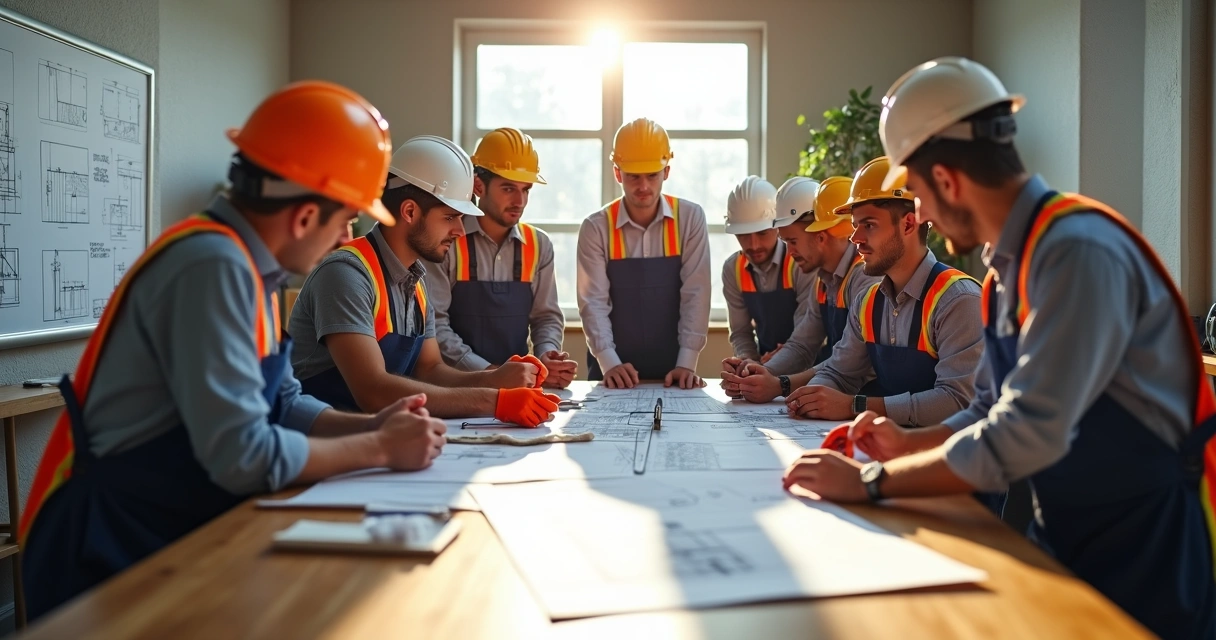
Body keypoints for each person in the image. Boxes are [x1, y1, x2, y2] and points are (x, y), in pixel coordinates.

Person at [782, 57, 1215, 639]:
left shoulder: (1075, 255)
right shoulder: (1003, 277)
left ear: (949, 181)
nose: (921, 213)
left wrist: (869, 484)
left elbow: (1025, 432)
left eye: (915, 193)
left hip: (1148, 550)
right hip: (1071, 532)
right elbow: (985, 411)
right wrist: (905, 443)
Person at [19, 81, 448, 619]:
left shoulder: (252, 269)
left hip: (162, 520)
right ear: (304, 216)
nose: (345, 240)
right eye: (344, 222)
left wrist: (375, 425)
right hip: (106, 541)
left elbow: (285, 402)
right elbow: (245, 455)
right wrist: (381, 451)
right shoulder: (213, 266)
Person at [290, 135, 559, 427]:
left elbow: (430, 370)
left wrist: (495, 378)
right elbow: (373, 390)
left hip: (377, 439)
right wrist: (495, 401)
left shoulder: (416, 280)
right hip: (323, 449)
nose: (459, 231)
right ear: (409, 212)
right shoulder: (346, 274)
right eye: (449, 217)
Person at [778, 156, 983, 430]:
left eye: (869, 225)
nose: (855, 238)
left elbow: (958, 401)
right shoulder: (868, 301)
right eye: (855, 225)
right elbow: (838, 372)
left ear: (909, 224)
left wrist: (855, 406)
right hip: (889, 448)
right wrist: (813, 397)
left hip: (950, 464)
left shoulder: (958, 301)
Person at [425, 128, 575, 389]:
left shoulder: (539, 245)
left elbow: (546, 317)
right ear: (479, 186)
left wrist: (545, 356)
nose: (520, 201)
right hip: (455, 388)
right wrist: (490, 374)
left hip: (519, 388)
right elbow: (435, 324)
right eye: (508, 188)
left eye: (526, 189)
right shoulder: (447, 241)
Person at [576, 117, 711, 389]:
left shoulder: (690, 218)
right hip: (612, 374)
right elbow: (593, 303)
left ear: (667, 171)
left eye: (652, 175)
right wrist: (609, 363)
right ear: (617, 173)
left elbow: (696, 293)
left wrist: (687, 362)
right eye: (633, 177)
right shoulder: (595, 228)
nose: (644, 187)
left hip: (675, 372)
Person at [720, 176, 882, 402]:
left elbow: (846, 362)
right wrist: (756, 372)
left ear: (821, 236)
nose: (789, 251)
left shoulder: (865, 278)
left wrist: (780, 385)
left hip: (865, 402)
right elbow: (802, 345)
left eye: (792, 241)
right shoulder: (824, 280)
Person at [720, 175, 815, 366]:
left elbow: (810, 332)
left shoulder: (801, 263)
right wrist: (747, 362)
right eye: (744, 235)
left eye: (762, 233)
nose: (754, 245)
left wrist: (777, 363)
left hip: (810, 366)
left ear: (778, 227)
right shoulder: (733, 269)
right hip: (766, 366)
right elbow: (740, 332)